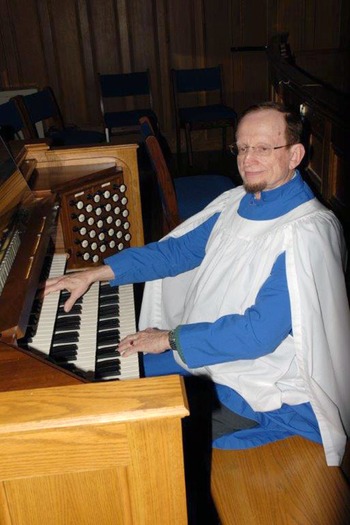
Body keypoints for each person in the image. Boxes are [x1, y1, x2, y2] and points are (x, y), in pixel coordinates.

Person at [44, 101, 350, 470]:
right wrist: (96, 273)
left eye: (264, 148)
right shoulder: (237, 202)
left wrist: (170, 339)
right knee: (105, 379)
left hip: (255, 384)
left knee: (129, 434)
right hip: (206, 352)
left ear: (294, 155)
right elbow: (176, 252)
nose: (248, 159)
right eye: (242, 147)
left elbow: (259, 334)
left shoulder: (306, 233)